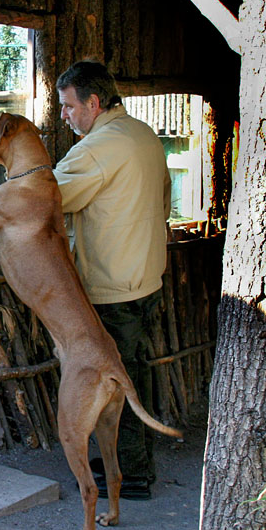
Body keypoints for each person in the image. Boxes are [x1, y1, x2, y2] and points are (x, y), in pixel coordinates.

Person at [53, 60, 171, 500]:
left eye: (68, 107)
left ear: (94, 103)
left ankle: (131, 476)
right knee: (137, 373)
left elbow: (48, 197)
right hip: (147, 278)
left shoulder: (97, 148)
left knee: (115, 386)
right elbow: (163, 203)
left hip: (111, 288)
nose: (64, 116)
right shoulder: (144, 135)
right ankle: (138, 465)